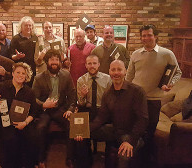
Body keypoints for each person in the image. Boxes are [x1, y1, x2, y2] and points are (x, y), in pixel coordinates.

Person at [125, 24, 182, 167]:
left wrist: (171, 83)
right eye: (143, 35)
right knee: (136, 129)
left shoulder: (167, 54)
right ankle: (135, 159)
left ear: (155, 36)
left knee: (150, 132)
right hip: (136, 99)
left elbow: (177, 72)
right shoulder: (135, 54)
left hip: (154, 100)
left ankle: (147, 161)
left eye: (149, 35)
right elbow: (129, 77)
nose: (146, 38)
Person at [75, 60, 149, 168]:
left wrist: (131, 141)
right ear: (109, 72)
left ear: (125, 71)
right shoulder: (108, 93)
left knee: (124, 154)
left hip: (131, 134)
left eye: (119, 69)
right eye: (113, 70)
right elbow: (101, 118)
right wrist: (83, 131)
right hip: (114, 130)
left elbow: (143, 119)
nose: (116, 73)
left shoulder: (137, 91)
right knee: (81, 136)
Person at [32, 49, 76, 168]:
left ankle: (70, 158)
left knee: (71, 126)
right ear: (47, 61)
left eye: (57, 59)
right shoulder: (39, 78)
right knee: (40, 128)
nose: (55, 62)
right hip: (45, 110)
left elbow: (72, 95)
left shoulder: (66, 75)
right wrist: (43, 105)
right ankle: (40, 159)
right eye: (52, 59)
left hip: (60, 109)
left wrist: (70, 110)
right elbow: (33, 99)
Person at [0, 62, 38, 168]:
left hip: (22, 123)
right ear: (12, 73)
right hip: (4, 123)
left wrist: (25, 123)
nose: (20, 75)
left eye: (23, 73)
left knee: (31, 137)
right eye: (18, 72)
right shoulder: (1, 87)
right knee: (11, 139)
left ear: (26, 76)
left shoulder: (29, 92)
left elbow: (34, 112)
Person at [73, 55, 111, 167]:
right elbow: (80, 104)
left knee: (110, 132)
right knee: (79, 136)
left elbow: (111, 101)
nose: (92, 66)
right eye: (89, 63)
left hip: (103, 111)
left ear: (99, 64)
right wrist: (82, 96)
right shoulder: (81, 80)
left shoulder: (107, 79)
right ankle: (85, 162)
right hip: (87, 110)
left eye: (94, 63)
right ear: (86, 65)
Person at [9, 16, 38, 86]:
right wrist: (17, 56)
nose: (28, 27)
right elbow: (11, 55)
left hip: (32, 70)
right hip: (20, 70)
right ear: (21, 27)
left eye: (30, 25)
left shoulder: (35, 38)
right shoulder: (15, 38)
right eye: (26, 25)